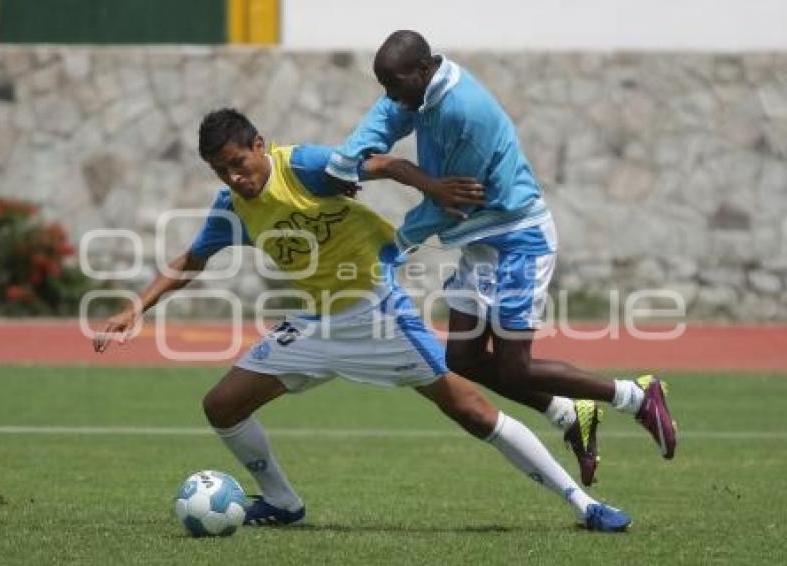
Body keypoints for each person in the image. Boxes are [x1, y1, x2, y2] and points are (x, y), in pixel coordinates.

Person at [93, 108, 630, 531]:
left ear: (260, 145)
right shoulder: (232, 204)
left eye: (240, 162)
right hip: (314, 323)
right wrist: (136, 306)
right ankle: (282, 504)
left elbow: (380, 163)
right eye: (222, 170)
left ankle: (583, 502)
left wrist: (429, 187)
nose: (236, 176)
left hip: (377, 315)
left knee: (470, 410)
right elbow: (193, 259)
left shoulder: (302, 165)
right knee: (222, 405)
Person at [325, 30, 677, 485]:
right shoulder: (415, 91)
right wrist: (343, 163)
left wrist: (392, 249)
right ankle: (572, 415)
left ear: (422, 69)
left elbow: (453, 200)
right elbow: (384, 122)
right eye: (384, 85)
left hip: (517, 241)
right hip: (481, 245)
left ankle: (637, 394)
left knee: (518, 368)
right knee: (463, 359)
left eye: (394, 84)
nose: (390, 96)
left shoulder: (464, 111)